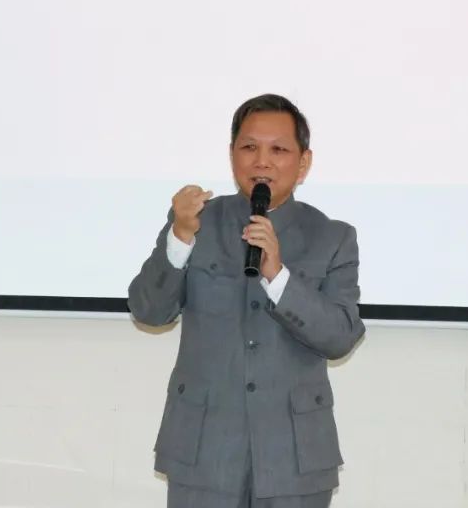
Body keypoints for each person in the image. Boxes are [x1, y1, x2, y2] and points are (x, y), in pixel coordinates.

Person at [128, 94, 365, 508]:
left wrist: (278, 276)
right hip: (204, 452)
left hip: (294, 457)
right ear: (232, 154)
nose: (262, 162)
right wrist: (180, 237)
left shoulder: (333, 237)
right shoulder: (195, 221)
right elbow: (149, 310)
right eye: (249, 147)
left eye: (279, 150)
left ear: (304, 163)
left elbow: (340, 337)